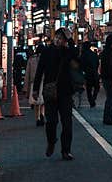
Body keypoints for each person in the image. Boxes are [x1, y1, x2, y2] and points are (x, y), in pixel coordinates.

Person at [32, 28, 78, 160]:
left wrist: (70, 41)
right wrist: (35, 89)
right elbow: (40, 71)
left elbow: (76, 56)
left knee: (67, 123)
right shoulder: (47, 51)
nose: (58, 40)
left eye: (62, 38)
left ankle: (66, 150)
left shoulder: (68, 52)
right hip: (50, 91)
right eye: (57, 37)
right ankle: (51, 141)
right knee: (51, 122)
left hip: (65, 92)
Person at [25, 44, 45, 126]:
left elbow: (27, 74)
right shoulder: (46, 58)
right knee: (43, 101)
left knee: (36, 102)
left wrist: (26, 87)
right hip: (44, 82)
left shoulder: (31, 59)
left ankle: (37, 118)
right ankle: (42, 114)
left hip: (34, 82)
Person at [81, 41, 100, 108]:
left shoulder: (83, 55)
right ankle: (93, 98)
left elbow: (82, 65)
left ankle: (91, 101)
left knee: (89, 89)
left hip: (87, 73)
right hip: (94, 72)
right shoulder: (94, 54)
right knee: (97, 87)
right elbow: (97, 63)